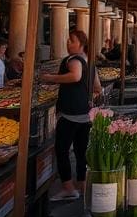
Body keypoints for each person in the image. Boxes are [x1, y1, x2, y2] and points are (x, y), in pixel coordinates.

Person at [42, 29, 102, 201]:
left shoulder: (73, 59)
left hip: (70, 114)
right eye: (68, 40)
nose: (68, 44)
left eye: (72, 41)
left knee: (61, 150)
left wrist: (50, 77)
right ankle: (82, 186)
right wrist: (85, 96)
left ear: (81, 44)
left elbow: (75, 76)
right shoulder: (89, 61)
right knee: (81, 151)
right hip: (84, 114)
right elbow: (97, 87)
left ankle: (68, 187)